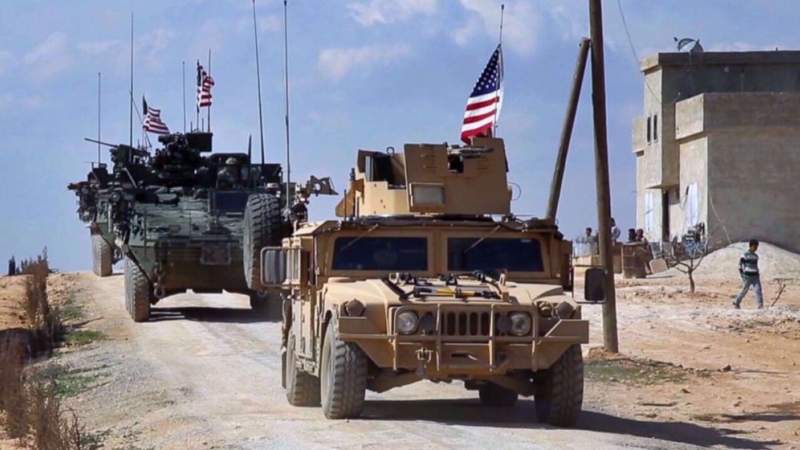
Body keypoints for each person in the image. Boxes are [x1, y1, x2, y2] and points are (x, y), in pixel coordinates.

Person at [733, 239, 763, 309]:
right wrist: (742, 275)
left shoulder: (756, 256)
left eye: (757, 247)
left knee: (758, 290)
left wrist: (758, 273)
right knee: (744, 290)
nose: (756, 248)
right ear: (751, 246)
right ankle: (736, 302)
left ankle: (760, 305)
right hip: (747, 276)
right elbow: (740, 265)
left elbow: (755, 266)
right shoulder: (745, 255)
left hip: (755, 276)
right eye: (755, 247)